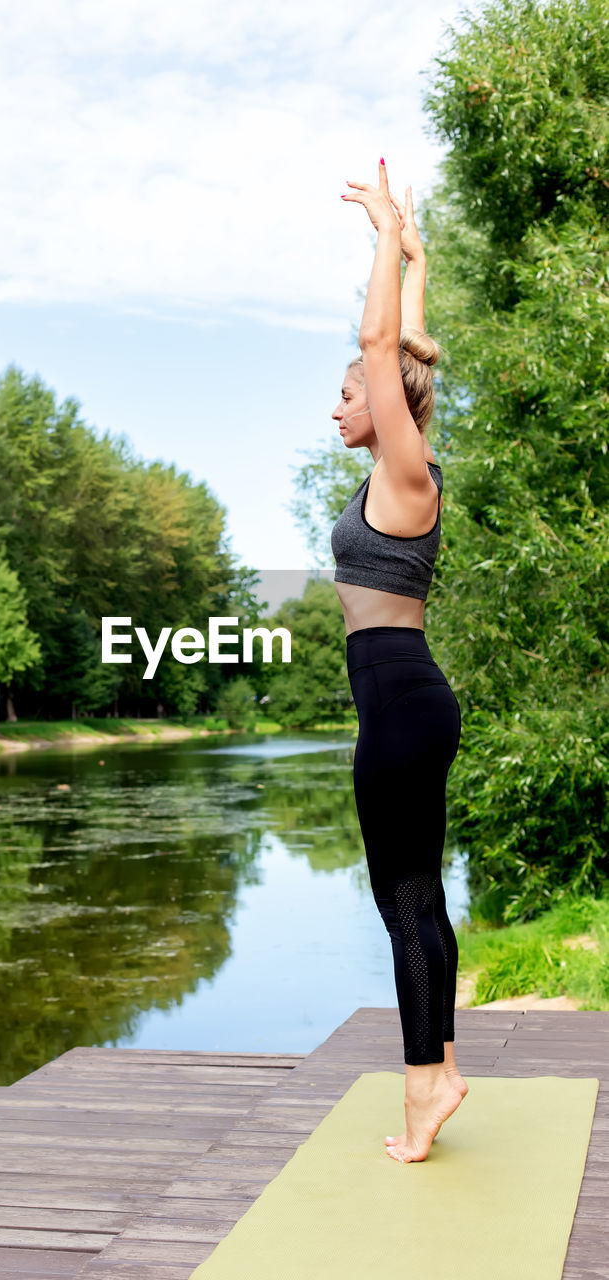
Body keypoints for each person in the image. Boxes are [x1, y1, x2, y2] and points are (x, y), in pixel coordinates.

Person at [331, 159, 467, 1163]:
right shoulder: (410, 459)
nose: (338, 407)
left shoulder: (404, 468)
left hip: (401, 703)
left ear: (384, 407)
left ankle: (425, 1089)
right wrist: (413, 262)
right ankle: (442, 1069)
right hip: (405, 702)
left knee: (401, 901)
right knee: (417, 894)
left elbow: (384, 348)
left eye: (347, 394)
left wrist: (380, 234)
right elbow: (412, 349)